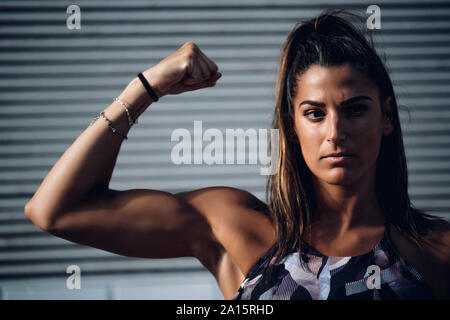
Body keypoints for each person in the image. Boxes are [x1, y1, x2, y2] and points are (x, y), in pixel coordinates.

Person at [24, 11, 449, 300]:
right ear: (291, 126)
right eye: (314, 114)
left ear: (386, 118)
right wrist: (146, 87)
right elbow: (55, 211)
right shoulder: (239, 229)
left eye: (355, 109)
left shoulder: (434, 250)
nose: (335, 132)